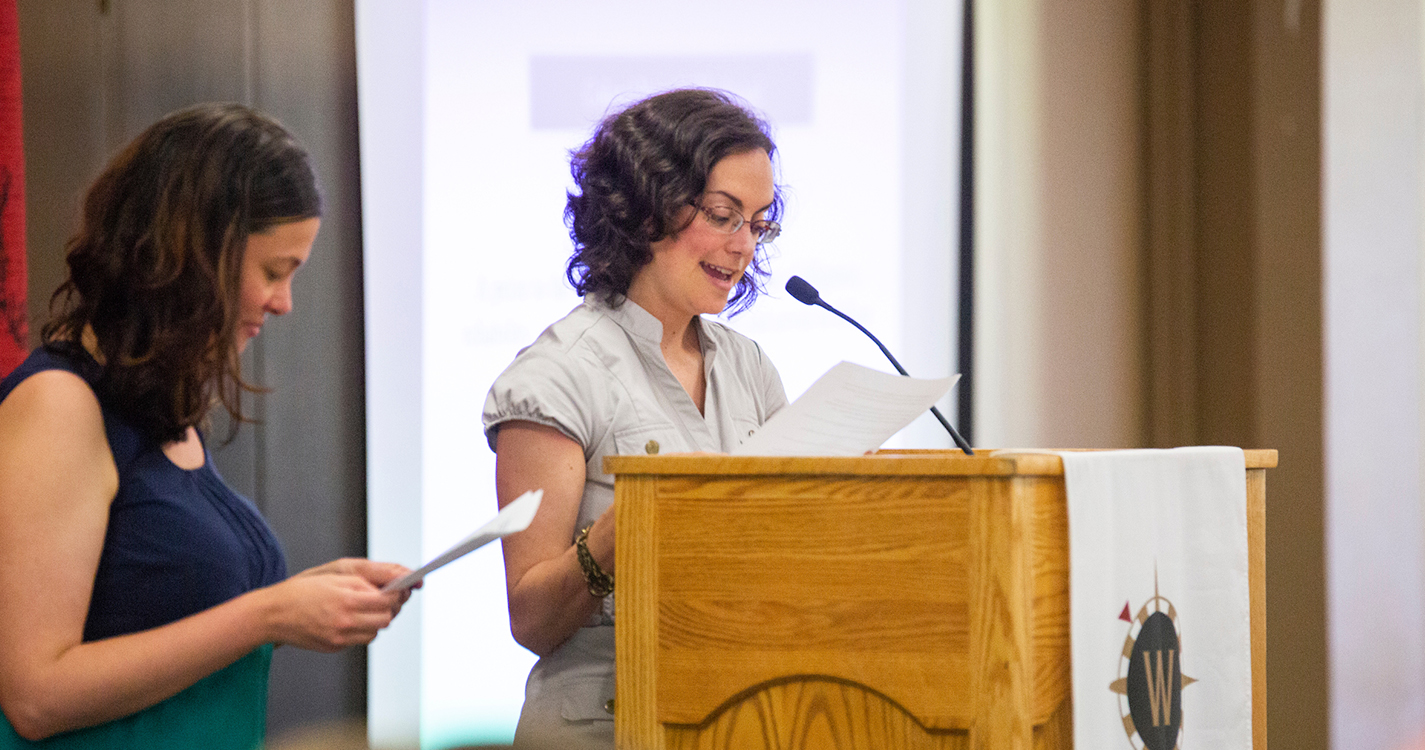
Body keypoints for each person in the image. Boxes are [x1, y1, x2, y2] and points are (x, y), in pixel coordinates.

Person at [0, 103, 411, 748]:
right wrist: (269, 614)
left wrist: (302, 596)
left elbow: (158, 600)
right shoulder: (59, 404)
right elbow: (35, 693)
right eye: (274, 272)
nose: (284, 302)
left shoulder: (158, 403)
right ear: (196, 254)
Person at [483, 88, 790, 748]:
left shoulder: (749, 369)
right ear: (645, 205)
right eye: (721, 215)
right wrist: (626, 529)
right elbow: (532, 617)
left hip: (734, 719)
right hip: (601, 726)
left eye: (758, 223)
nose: (743, 247)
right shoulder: (556, 375)